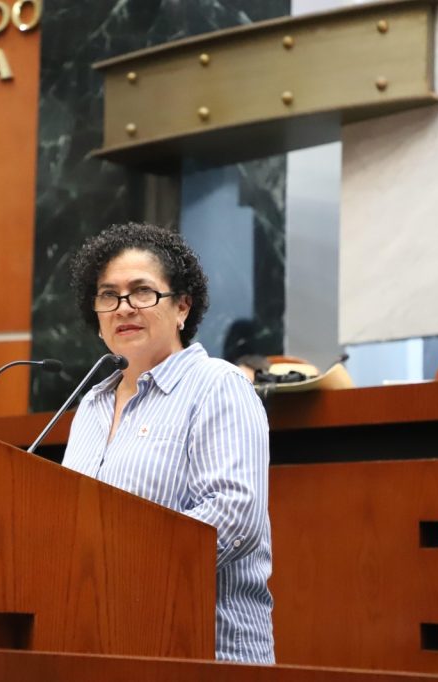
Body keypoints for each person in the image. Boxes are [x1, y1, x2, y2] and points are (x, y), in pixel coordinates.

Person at [62, 222, 274, 664]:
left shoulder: (218, 385)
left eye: (142, 292)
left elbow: (233, 513)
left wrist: (117, 568)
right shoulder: (91, 405)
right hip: (103, 644)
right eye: (108, 295)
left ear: (182, 307)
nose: (124, 308)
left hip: (208, 652)